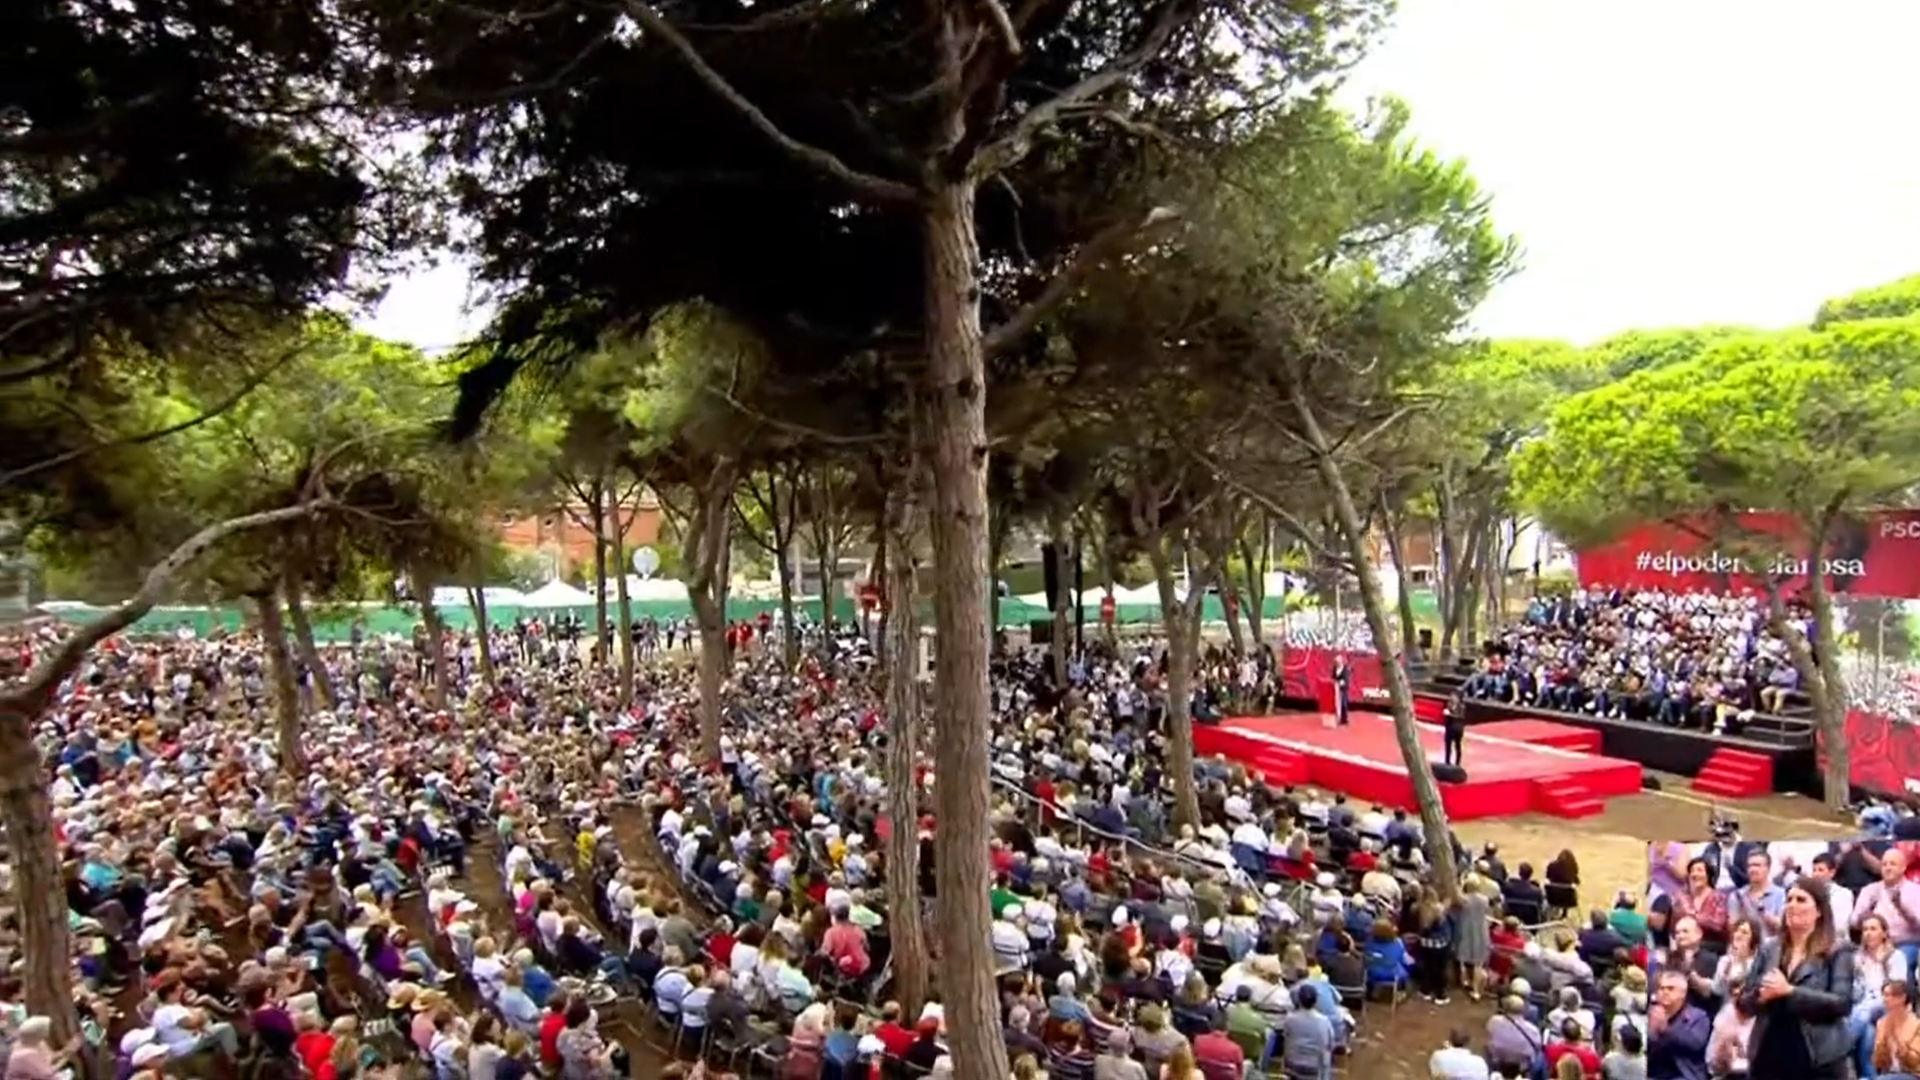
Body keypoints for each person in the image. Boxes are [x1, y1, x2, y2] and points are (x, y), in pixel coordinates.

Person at [1737, 875, 1854, 1080]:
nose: (1792, 905)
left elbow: (1842, 1003)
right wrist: (1760, 996)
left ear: (1819, 911)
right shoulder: (1769, 948)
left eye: (1801, 900)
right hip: (1769, 1047)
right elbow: (1744, 1003)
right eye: (1789, 900)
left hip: (1817, 1053)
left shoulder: (1837, 949)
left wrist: (1790, 991)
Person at [1872, 978, 1920, 1079]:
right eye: (1884, 995)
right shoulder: (1882, 1023)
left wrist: (1898, 1040)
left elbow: (1915, 1062)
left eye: (1888, 995)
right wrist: (1881, 1046)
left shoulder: (1916, 1025)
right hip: (1889, 1073)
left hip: (1913, 1075)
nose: (1884, 999)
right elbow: (1878, 1063)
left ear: (1902, 998)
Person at [1443, 696, 1467, 768]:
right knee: (1448, 746)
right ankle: (1447, 761)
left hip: (1457, 728)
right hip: (1450, 729)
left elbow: (1460, 717)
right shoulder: (1448, 707)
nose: (1450, 702)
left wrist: (1449, 715)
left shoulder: (1461, 707)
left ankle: (1457, 763)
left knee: (1457, 745)